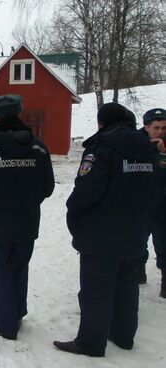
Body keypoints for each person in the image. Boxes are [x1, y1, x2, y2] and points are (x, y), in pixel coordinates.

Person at [54, 102, 156, 357]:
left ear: (102, 123)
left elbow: (87, 190)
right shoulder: (148, 148)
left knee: (96, 290)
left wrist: (73, 213)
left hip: (101, 232)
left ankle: (91, 342)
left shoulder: (101, 149)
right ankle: (123, 336)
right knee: (127, 287)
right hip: (135, 230)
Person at [0, 94, 54, 341]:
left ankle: (6, 323)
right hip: (27, 220)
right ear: (19, 112)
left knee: (1, 270)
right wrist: (27, 203)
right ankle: (17, 312)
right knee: (19, 266)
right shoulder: (38, 147)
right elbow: (47, 186)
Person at [137, 108, 166, 293]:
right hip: (140, 204)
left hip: (163, 204)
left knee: (163, 244)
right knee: (138, 243)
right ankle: (138, 274)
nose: (160, 132)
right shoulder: (136, 143)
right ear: (147, 127)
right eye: (156, 128)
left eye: (164, 128)